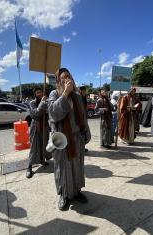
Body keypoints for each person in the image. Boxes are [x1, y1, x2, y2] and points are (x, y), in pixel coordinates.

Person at [48, 68, 91, 211]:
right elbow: (54, 114)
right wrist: (65, 93)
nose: (66, 79)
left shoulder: (78, 96)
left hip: (77, 138)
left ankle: (77, 191)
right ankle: (64, 195)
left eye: (68, 76)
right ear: (58, 80)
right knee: (63, 169)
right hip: (62, 140)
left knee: (77, 167)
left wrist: (86, 133)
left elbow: (83, 117)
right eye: (63, 77)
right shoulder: (54, 94)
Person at [26, 88, 50, 179]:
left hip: (44, 127)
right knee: (34, 147)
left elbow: (49, 113)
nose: (40, 94)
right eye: (38, 92)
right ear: (35, 94)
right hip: (36, 127)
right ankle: (29, 167)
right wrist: (42, 103)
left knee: (44, 144)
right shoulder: (32, 103)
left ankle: (42, 160)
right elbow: (35, 114)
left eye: (41, 92)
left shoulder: (46, 101)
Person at [79, 86, 89, 152]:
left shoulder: (84, 97)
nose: (84, 92)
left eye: (85, 91)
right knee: (80, 133)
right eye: (83, 91)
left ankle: (83, 146)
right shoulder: (78, 98)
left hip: (84, 117)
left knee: (84, 133)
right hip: (80, 118)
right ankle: (80, 147)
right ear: (80, 91)